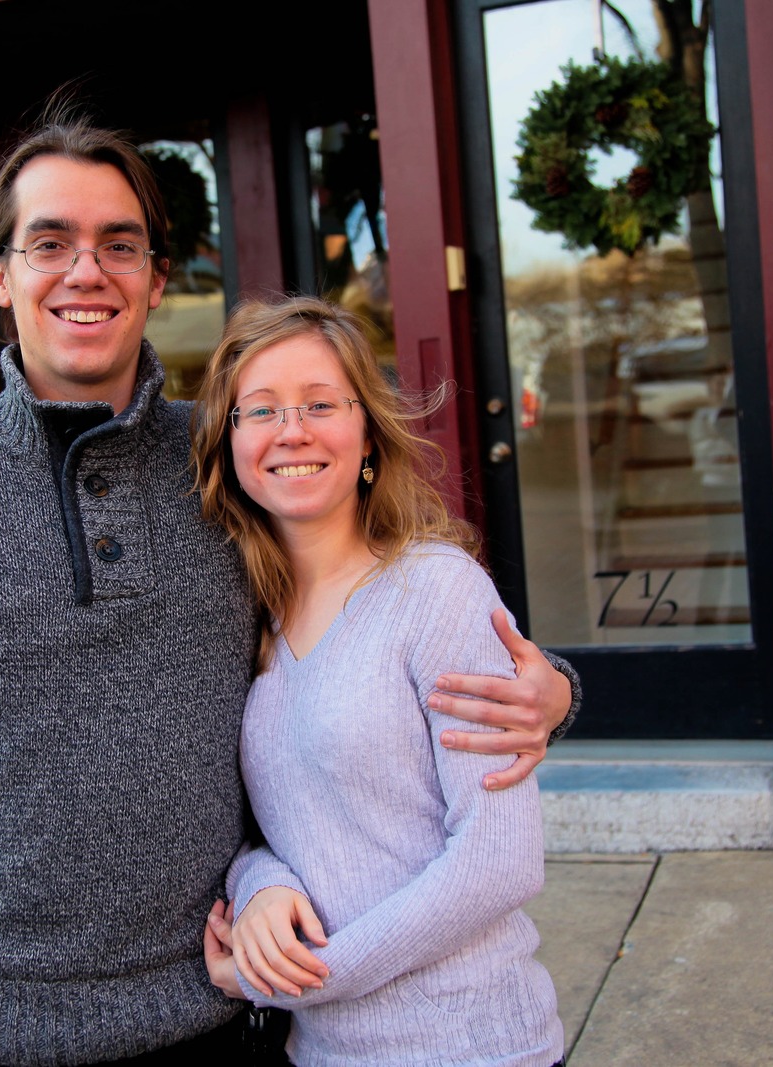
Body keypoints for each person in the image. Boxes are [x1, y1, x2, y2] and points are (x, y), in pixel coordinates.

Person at [0, 102, 577, 1066]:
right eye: (50, 243)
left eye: (118, 244)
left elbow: (378, 598)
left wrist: (558, 689)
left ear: (157, 279)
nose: (86, 270)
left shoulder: (227, 461)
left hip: (205, 1009)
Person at [195, 297, 564, 1066]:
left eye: (320, 403)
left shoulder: (437, 590)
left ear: (367, 432)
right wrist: (259, 885)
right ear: (231, 445)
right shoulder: (245, 619)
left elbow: (499, 859)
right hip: (321, 1053)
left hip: (471, 1045)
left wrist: (297, 978)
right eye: (259, 410)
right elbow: (271, 821)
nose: (291, 429)